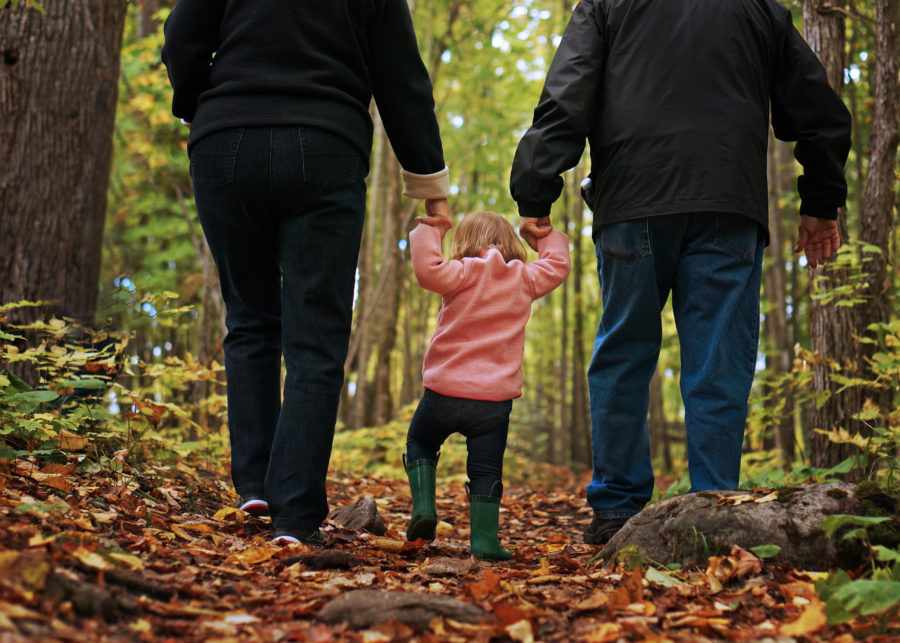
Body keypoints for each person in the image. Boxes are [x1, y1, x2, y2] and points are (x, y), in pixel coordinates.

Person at [509, 0, 851, 545]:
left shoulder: (605, 4)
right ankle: (714, 509)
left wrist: (535, 186)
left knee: (623, 351)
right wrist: (822, 200)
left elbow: (566, 93)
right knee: (719, 361)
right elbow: (821, 110)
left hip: (633, 199)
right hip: (728, 201)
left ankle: (617, 512)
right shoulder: (759, 8)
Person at [161, 0, 451, 546]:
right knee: (315, 337)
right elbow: (401, 79)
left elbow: (181, 38)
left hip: (226, 140)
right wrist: (429, 187)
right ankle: (293, 515)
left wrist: (197, 104)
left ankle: (254, 484)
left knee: (248, 319)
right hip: (325, 143)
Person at [405, 210, 570, 560]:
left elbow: (425, 269)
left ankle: (424, 510)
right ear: (509, 244)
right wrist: (542, 235)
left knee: (420, 441)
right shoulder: (524, 278)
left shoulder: (460, 273)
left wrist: (432, 227)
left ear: (465, 243)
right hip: (493, 403)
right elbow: (558, 265)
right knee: (485, 471)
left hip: (443, 393)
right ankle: (483, 541)